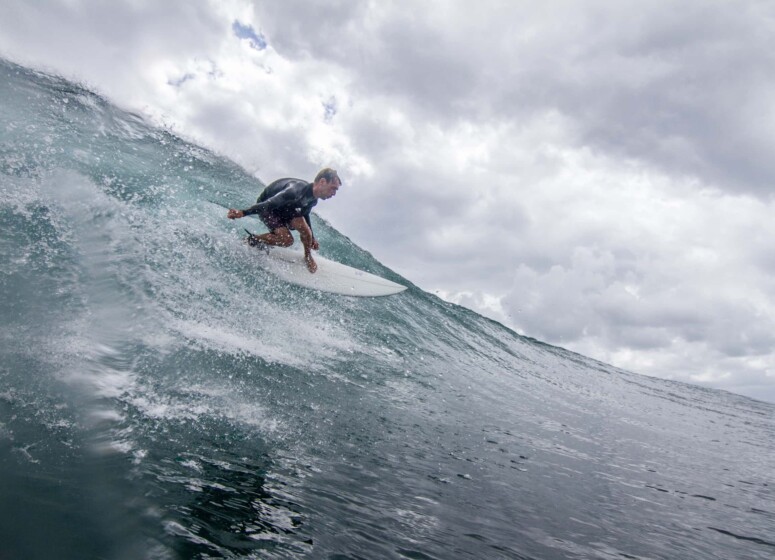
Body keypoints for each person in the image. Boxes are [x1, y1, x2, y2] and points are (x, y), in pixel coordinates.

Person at [227, 168, 341, 273]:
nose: (334, 194)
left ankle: (307, 256)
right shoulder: (295, 191)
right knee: (287, 240)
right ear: (322, 182)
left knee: (306, 231)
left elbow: (305, 214)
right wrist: (243, 212)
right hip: (268, 208)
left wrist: (312, 238)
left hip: (285, 208)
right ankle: (252, 240)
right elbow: (268, 204)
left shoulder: (313, 199)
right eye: (333, 188)